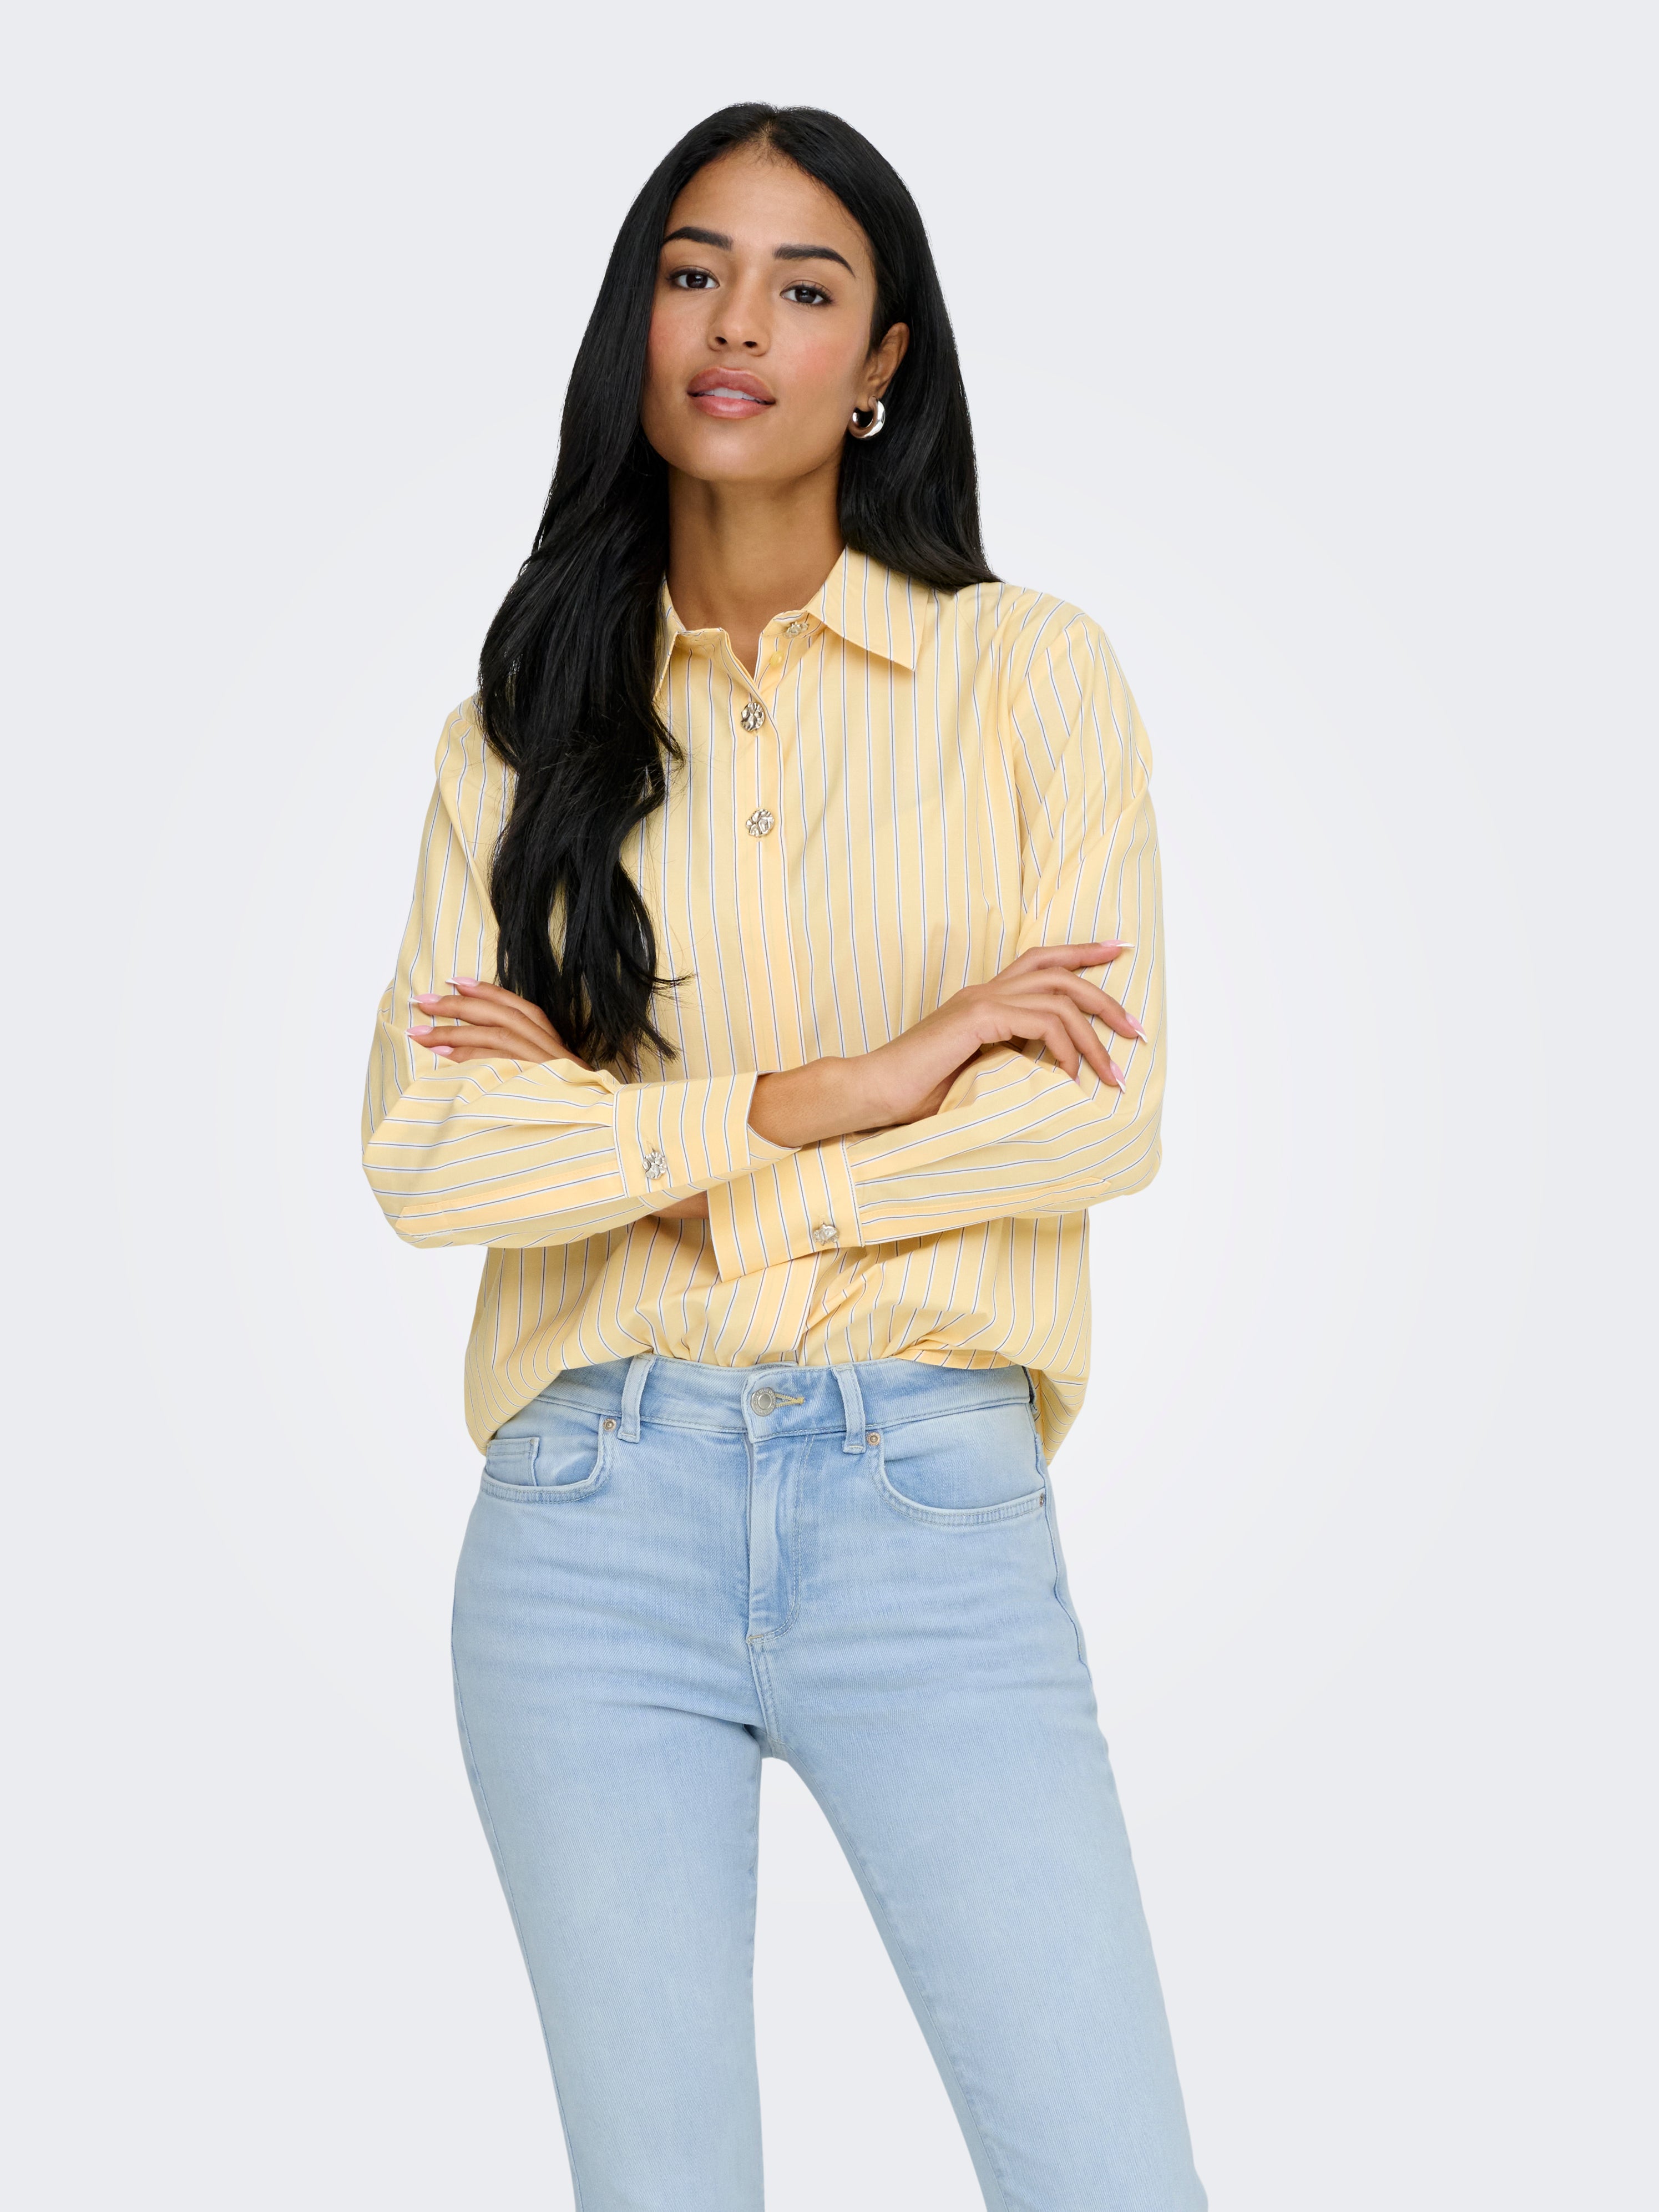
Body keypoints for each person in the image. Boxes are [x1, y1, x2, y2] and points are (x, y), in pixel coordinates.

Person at [361, 100, 1206, 2212]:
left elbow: (1092, 1110)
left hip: (928, 1508)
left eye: (804, 287)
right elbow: (432, 1147)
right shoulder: (517, 736)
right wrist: (857, 1085)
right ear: (635, 321)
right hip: (587, 1517)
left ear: (882, 362)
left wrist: (652, 1164)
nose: (737, 324)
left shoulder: (1027, 679)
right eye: (693, 272)